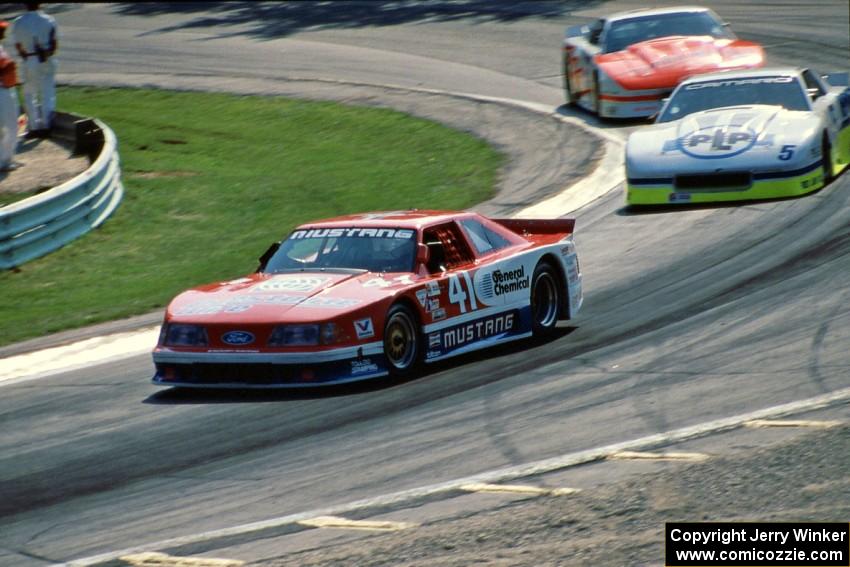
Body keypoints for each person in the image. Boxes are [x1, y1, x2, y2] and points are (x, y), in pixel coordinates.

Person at [12, 2, 56, 137]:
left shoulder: (19, 22)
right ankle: (47, 126)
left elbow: (18, 46)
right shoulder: (49, 20)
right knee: (47, 93)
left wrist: (26, 57)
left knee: (29, 94)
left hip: (29, 59)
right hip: (46, 58)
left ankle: (33, 126)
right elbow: (54, 45)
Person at [0, 21, 20, 170]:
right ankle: (4, 161)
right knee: (12, 126)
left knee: (4, 127)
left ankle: (5, 158)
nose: (4, 32)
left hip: (6, 89)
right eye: (2, 30)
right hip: (2, 92)